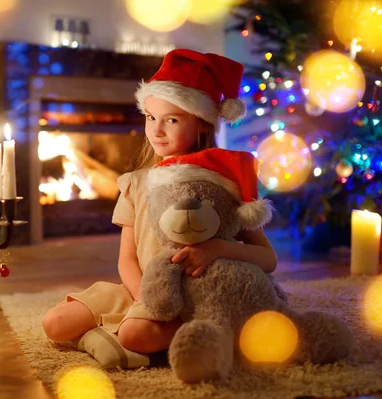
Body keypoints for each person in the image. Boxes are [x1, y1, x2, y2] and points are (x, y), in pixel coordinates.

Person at [42, 49, 278, 355]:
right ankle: (118, 332)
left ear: (203, 124)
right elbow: (126, 258)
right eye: (151, 117)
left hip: (195, 297)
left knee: (136, 336)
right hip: (142, 290)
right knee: (55, 324)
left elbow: (268, 259)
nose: (156, 130)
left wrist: (216, 248)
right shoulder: (135, 183)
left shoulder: (220, 185)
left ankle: (182, 333)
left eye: (172, 120)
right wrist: (146, 299)